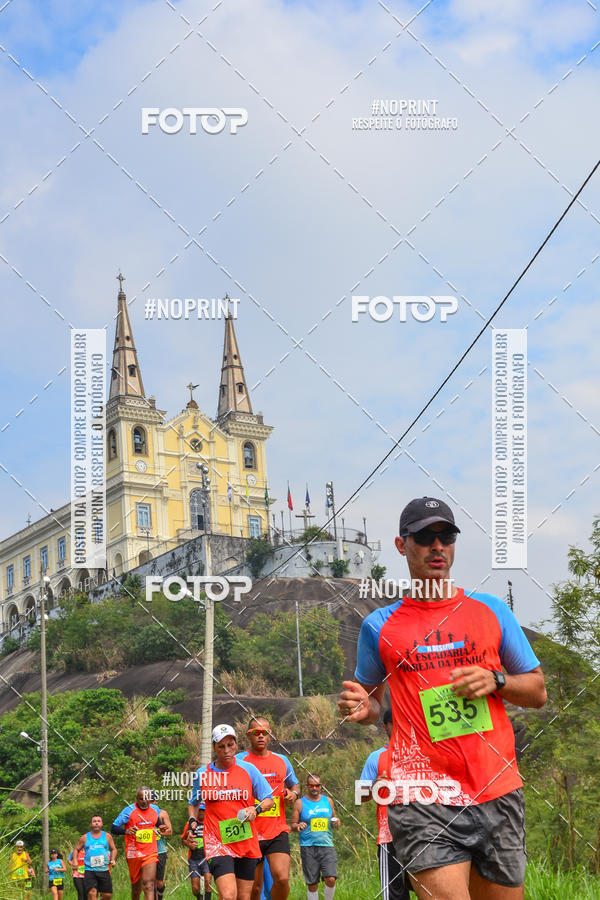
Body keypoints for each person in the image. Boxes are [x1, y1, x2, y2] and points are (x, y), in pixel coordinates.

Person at [339, 497, 547, 900]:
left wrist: (496, 680)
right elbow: (373, 703)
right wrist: (365, 711)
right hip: (422, 795)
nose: (437, 546)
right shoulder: (379, 626)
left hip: (496, 790)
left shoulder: (491, 611)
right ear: (403, 545)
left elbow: (537, 691)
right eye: (424, 537)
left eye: (446, 536)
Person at [188, 723, 274, 900]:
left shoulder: (249, 769)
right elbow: (193, 802)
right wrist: (192, 822)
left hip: (245, 841)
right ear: (214, 747)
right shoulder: (203, 774)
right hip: (217, 842)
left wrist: (255, 809)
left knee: (243, 897)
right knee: (228, 895)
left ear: (236, 744)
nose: (227, 750)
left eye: (230, 744)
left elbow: (269, 800)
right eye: (221, 746)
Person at [236, 716, 300, 900]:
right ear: (249, 735)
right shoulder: (240, 761)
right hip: (249, 831)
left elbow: (295, 785)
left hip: (277, 830)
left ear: (270, 734)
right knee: (254, 889)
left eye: (265, 732)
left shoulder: (282, 760)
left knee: (282, 878)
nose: (261, 736)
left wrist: (293, 794)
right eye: (256, 732)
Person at [359, 709, 410, 900]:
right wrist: (375, 787)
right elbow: (361, 795)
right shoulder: (376, 758)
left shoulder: (419, 754)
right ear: (385, 727)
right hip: (390, 836)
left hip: (422, 834)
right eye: (394, 724)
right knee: (394, 894)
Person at [111, 788, 172, 900]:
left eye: (146, 798)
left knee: (148, 885)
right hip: (134, 854)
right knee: (136, 889)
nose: (144, 801)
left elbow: (157, 823)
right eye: (141, 799)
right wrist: (126, 831)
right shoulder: (128, 810)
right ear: (137, 799)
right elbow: (113, 828)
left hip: (150, 853)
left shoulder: (154, 810)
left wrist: (161, 827)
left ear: (150, 799)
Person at [290, 774, 340, 900]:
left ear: (321, 786)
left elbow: (334, 817)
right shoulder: (300, 803)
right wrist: (298, 826)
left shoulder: (328, 801)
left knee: (330, 878)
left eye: (317, 785)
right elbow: (293, 825)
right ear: (307, 786)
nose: (314, 788)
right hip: (308, 847)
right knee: (312, 884)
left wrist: (336, 821)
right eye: (311, 785)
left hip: (327, 845)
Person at [73, 814, 117, 900]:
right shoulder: (85, 837)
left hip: (104, 870)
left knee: (107, 895)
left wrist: (113, 859)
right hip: (90, 870)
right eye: (94, 821)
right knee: (92, 893)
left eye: (98, 821)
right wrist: (75, 861)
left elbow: (114, 849)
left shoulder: (107, 836)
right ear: (91, 824)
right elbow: (76, 849)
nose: (96, 823)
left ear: (102, 824)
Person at [181, 803, 212, 900]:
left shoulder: (209, 823)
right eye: (199, 810)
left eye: (203, 810)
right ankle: (199, 897)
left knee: (208, 881)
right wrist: (189, 845)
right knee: (195, 888)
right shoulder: (190, 824)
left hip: (206, 857)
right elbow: (183, 839)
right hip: (193, 859)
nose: (201, 813)